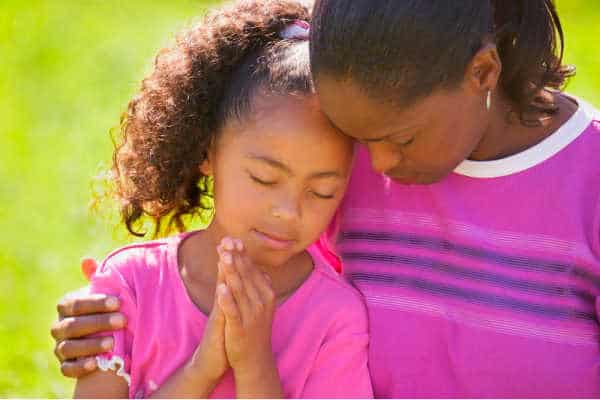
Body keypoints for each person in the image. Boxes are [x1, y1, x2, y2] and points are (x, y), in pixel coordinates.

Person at [52, 0, 600, 397]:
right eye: (361, 142)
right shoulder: (340, 147)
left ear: (482, 72)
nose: (377, 167)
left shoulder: (588, 178)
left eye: (400, 138)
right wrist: (118, 312)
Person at [58, 0, 373, 398]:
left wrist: (255, 362)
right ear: (208, 151)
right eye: (264, 178)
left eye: (322, 191)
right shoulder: (132, 284)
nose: (288, 212)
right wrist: (203, 367)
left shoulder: (334, 318)